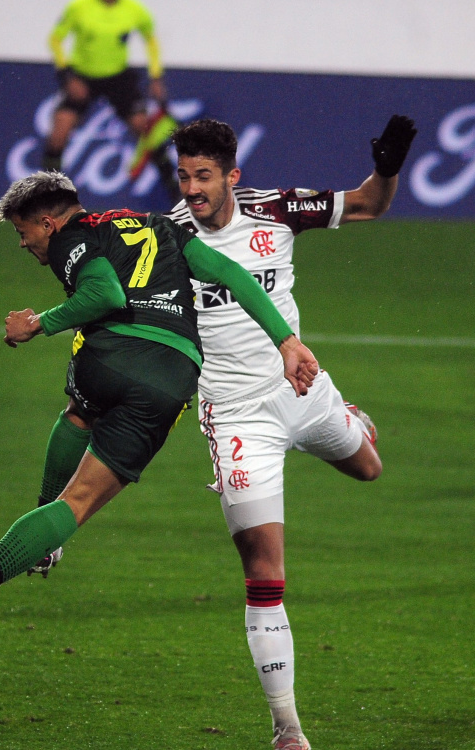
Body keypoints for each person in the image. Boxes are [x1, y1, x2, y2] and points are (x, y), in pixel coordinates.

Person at [0, 172, 320, 658]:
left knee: (79, 414)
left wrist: (36, 324)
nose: (24, 244)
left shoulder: (73, 238)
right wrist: (286, 341)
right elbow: (232, 274)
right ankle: (16, 552)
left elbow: (105, 295)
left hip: (112, 356)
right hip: (171, 375)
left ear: (47, 222)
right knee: (79, 502)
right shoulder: (160, 225)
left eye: (24, 233)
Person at [158, 115, 417, 750]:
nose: (192, 188)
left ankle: (347, 417)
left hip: (302, 387)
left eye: (204, 176)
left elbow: (368, 206)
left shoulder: (277, 210)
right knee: (264, 572)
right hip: (237, 416)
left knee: (369, 468)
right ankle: (288, 731)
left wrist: (386, 169)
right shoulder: (167, 241)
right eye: (184, 175)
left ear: (232, 177)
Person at [42, 0, 179, 202]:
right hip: (82, 77)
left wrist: (156, 76)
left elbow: (150, 39)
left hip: (118, 78)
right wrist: (67, 77)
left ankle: (174, 190)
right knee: (59, 132)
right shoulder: (79, 7)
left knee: (146, 129)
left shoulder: (135, 11)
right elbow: (55, 39)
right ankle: (48, 194)